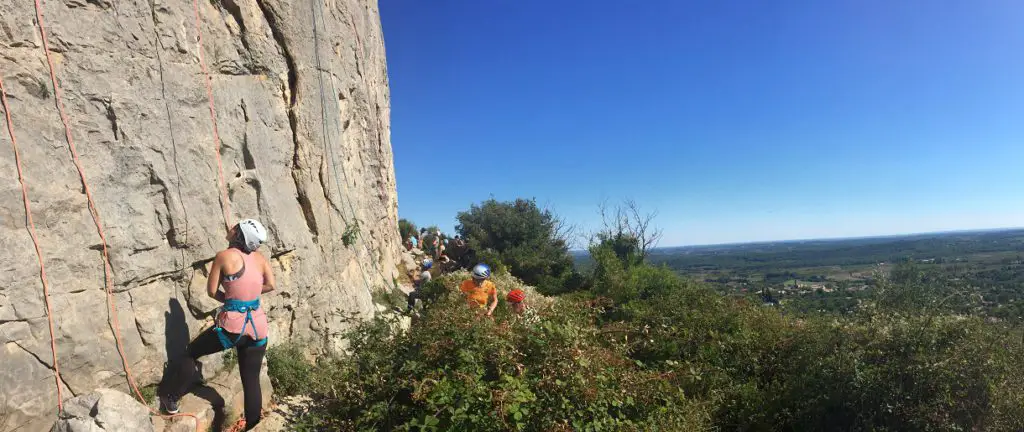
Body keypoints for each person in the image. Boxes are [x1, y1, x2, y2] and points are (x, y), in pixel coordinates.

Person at [161, 219, 274, 431]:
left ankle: (172, 398)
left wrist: (233, 300)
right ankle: (253, 426)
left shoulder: (224, 256)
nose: (231, 228)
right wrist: (247, 299)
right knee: (251, 380)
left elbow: (212, 291)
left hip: (233, 328)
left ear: (239, 235)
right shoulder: (260, 258)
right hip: (258, 327)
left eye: (236, 227)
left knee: (191, 353)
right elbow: (270, 284)